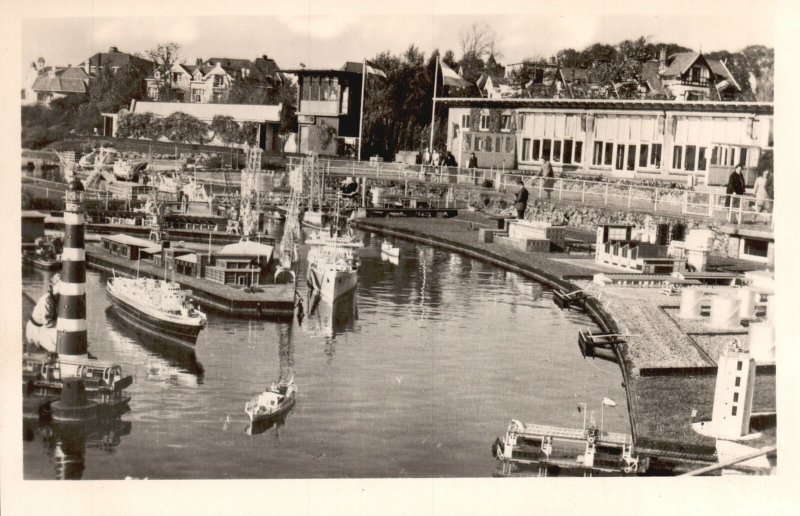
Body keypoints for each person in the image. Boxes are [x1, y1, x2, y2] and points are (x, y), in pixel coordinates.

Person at [26, 274, 61, 353]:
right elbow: (47, 323)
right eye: (60, 285)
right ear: (53, 286)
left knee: (62, 341)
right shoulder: (47, 300)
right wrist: (62, 323)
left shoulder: (57, 298)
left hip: (44, 328)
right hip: (36, 329)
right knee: (55, 349)